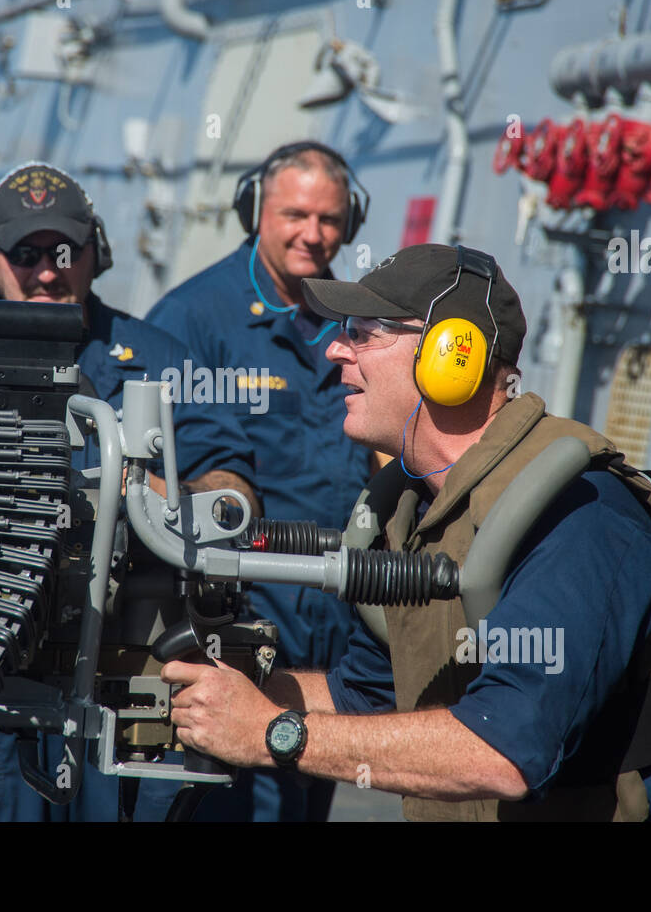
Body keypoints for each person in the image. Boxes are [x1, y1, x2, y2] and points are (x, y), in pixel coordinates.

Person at [160, 243, 651, 820]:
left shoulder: (579, 512)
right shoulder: (416, 506)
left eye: (362, 333)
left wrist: (273, 734)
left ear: (450, 356)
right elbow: (368, 694)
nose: (334, 349)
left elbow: (506, 749)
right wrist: (224, 695)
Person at [0, 161, 259, 821]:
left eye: (62, 251)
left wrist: (168, 495)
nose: (47, 271)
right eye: (24, 254)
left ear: (95, 254)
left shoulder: (158, 359)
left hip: (129, 688)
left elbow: (234, 488)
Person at [144, 141, 373, 821]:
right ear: (255, 212)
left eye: (330, 220)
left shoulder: (357, 317)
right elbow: (154, 473)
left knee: (310, 790)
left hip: (337, 605)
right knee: (247, 798)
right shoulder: (190, 321)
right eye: (295, 214)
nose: (313, 234)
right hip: (245, 614)